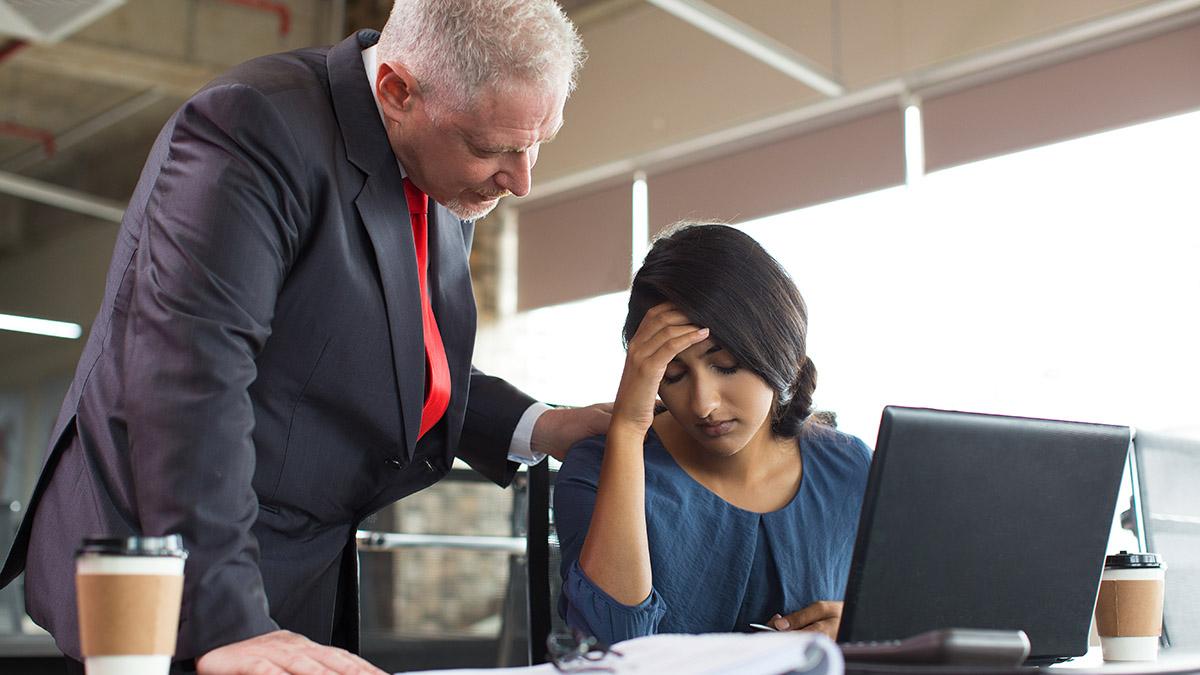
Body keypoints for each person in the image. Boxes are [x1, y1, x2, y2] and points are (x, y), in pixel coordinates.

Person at [0, 1, 608, 673]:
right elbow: (189, 377)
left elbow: (397, 357)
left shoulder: (443, 165)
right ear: (397, 91)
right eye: (494, 149)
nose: (521, 181)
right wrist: (232, 620)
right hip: (170, 560)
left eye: (537, 143)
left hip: (294, 554)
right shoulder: (251, 125)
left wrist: (539, 425)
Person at [554, 223, 872, 646]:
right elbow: (613, 645)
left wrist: (860, 630)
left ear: (780, 350)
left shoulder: (850, 468)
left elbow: (919, 617)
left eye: (725, 365)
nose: (702, 404)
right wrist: (628, 430)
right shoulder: (596, 469)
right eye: (675, 375)